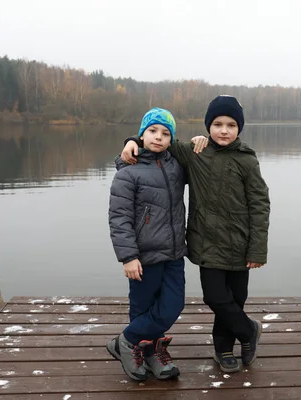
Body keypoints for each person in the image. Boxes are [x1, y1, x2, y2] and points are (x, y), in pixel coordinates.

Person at [121, 95, 271, 373]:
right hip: (207, 244)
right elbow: (157, 143)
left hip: (240, 244)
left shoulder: (247, 161)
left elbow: (260, 204)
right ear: (208, 126)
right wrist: (131, 140)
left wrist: (257, 248)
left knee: (235, 300)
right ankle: (249, 331)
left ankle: (223, 349)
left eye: (230, 125)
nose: (223, 130)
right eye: (217, 124)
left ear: (239, 129)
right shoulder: (194, 153)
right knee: (215, 298)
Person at [107, 107, 187, 381]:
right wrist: (128, 257)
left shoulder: (176, 164)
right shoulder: (128, 173)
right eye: (152, 131)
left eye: (165, 133)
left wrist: (201, 140)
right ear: (142, 135)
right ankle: (147, 352)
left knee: (173, 305)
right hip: (143, 256)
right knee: (142, 307)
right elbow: (119, 219)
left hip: (175, 253)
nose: (158, 137)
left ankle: (125, 341)